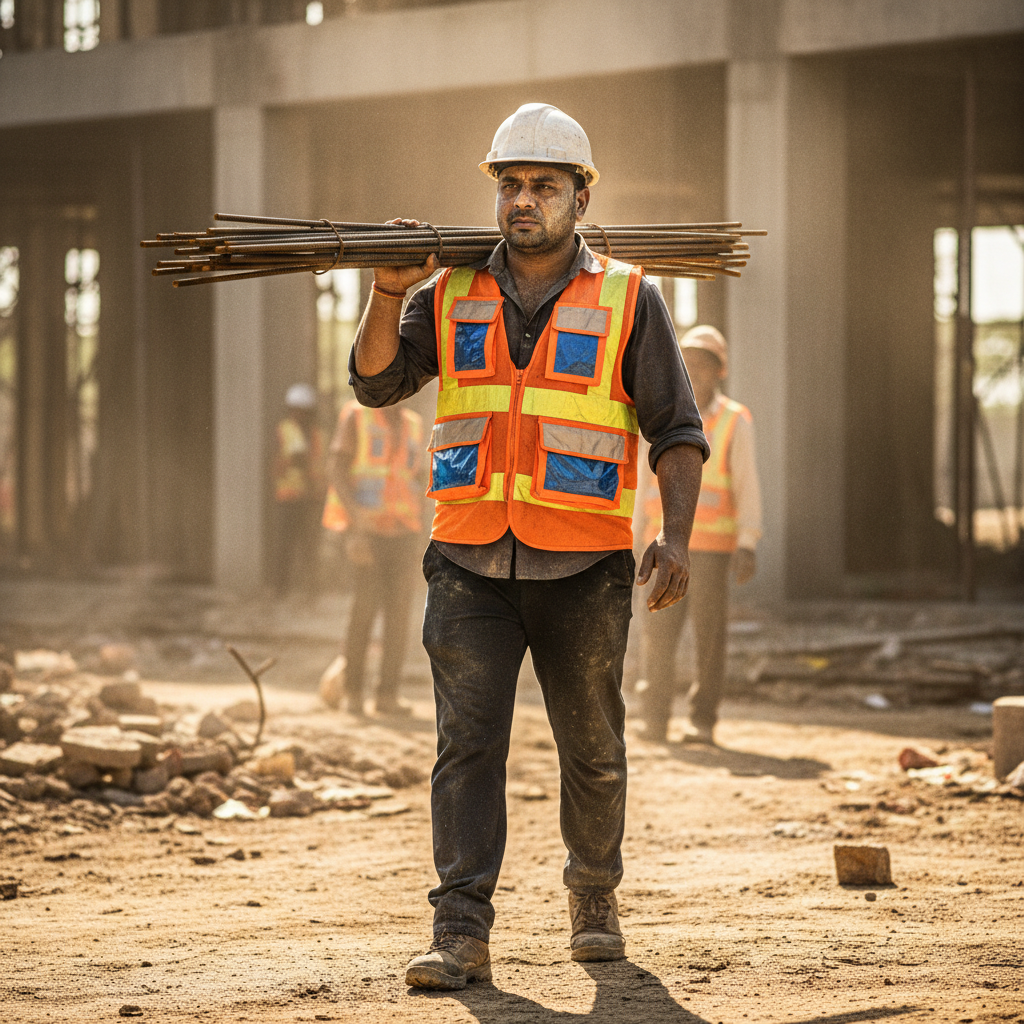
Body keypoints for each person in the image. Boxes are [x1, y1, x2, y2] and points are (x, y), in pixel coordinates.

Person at [348, 102, 708, 990]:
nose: (522, 200)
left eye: (543, 185)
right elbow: (375, 384)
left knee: (592, 745)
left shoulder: (630, 296)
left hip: (584, 564)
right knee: (466, 746)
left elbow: (677, 429)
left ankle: (594, 898)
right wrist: (388, 290)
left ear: (581, 199)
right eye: (510, 184)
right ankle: (460, 928)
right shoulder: (450, 291)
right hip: (469, 558)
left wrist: (676, 537)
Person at [636, 325, 762, 745]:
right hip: (660, 545)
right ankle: (654, 718)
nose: (695, 371)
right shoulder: (658, 414)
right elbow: (642, 481)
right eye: (688, 362)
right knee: (657, 634)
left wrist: (747, 542)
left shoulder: (733, 421)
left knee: (709, 638)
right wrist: (634, 535)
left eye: (704, 365)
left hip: (712, 551)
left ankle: (702, 720)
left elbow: (747, 483)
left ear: (718, 371)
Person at [326, 399, 425, 716]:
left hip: (404, 532)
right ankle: (353, 692)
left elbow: (417, 478)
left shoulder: (414, 424)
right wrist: (354, 526)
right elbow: (337, 470)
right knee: (364, 611)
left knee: (399, 616)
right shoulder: (356, 417)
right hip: (367, 531)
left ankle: (387, 695)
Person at [272, 383, 325, 599]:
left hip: (310, 498)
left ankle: (312, 593)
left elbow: (321, 465)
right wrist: (292, 462)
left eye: (304, 411)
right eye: (296, 410)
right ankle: (280, 591)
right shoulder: (282, 431)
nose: (300, 415)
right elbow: (274, 465)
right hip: (288, 498)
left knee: (310, 548)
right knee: (285, 546)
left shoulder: (318, 435)